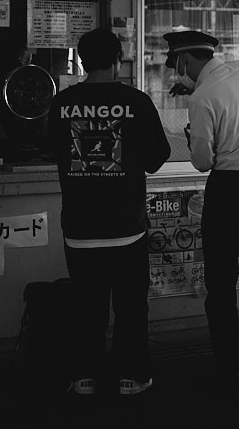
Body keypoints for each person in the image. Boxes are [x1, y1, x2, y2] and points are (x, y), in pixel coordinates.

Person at [48, 28, 171, 396]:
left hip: (80, 228)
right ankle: (131, 376)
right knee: (131, 306)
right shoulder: (136, 102)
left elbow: (53, 151)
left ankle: (84, 376)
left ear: (83, 62)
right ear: (119, 60)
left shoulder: (62, 104)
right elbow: (156, 159)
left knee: (87, 306)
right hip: (126, 229)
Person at [163, 30, 239, 391]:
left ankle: (228, 373)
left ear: (184, 60)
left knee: (220, 285)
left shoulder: (202, 98)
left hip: (230, 191)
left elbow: (203, 161)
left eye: (177, 65)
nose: (177, 72)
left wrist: (192, 136)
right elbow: (228, 95)